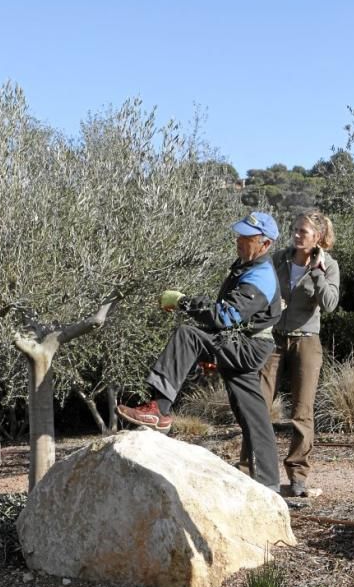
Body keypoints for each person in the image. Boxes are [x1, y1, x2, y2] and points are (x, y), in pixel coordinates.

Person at [117, 211, 283, 492]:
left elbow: (226, 316)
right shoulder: (246, 266)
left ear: (265, 244)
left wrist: (184, 303)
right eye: (239, 235)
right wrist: (211, 352)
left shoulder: (260, 276)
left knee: (188, 335)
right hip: (246, 344)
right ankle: (270, 486)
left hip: (250, 346)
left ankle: (160, 409)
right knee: (254, 416)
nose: (239, 241)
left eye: (246, 238)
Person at [245, 210, 339, 498]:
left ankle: (297, 476)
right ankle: (248, 470)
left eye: (304, 232)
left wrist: (318, 274)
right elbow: (261, 289)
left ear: (318, 237)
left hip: (307, 341)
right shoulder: (279, 259)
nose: (297, 235)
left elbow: (331, 303)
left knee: (302, 412)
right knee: (256, 406)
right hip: (272, 339)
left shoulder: (329, 265)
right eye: (295, 229)